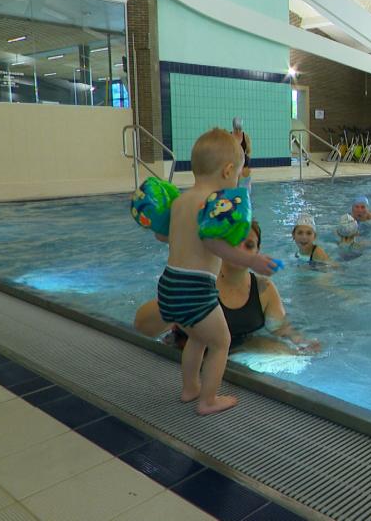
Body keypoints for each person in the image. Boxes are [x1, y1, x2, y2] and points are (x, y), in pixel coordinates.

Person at [154, 128, 278, 415]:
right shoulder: (212, 204)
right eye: (237, 174)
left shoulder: (181, 201)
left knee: (197, 338)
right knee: (221, 342)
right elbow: (214, 243)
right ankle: (208, 400)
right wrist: (253, 261)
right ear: (228, 171)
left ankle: (189, 388)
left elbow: (163, 237)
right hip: (195, 288)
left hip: (169, 285)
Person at [135, 220, 319, 357]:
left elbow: (280, 328)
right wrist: (178, 300)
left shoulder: (264, 288)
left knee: (287, 353)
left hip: (239, 349)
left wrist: (301, 342)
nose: (240, 250)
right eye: (233, 241)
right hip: (188, 354)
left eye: (249, 245)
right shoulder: (200, 282)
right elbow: (142, 327)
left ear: (258, 251)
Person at [231, 117, 253, 186]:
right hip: (232, 163)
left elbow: (249, 151)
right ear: (233, 128)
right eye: (236, 129)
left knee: (244, 183)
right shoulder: (229, 136)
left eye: (239, 129)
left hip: (243, 162)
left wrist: (246, 161)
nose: (238, 131)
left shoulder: (245, 137)